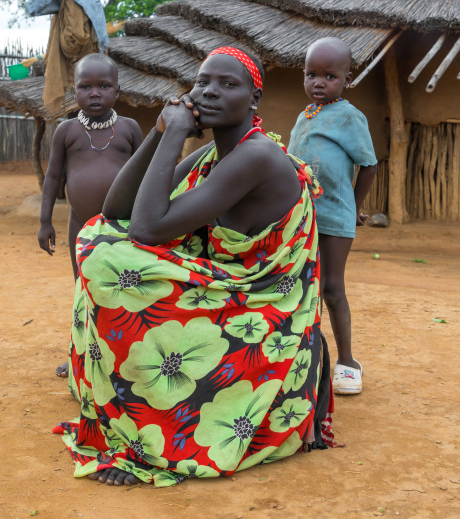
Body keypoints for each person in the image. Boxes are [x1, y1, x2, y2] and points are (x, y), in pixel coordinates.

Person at [53, 46, 338, 488]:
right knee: (98, 239)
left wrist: (174, 137)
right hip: (231, 289)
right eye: (203, 81)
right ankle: (141, 397)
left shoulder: (256, 156)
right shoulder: (216, 154)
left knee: (112, 264)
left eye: (229, 84)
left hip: (265, 308)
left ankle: (154, 420)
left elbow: (147, 229)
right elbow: (116, 211)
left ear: (253, 100)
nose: (210, 92)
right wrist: (161, 130)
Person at [38, 53, 143, 378]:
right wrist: (44, 221)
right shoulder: (66, 131)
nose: (94, 93)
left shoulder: (129, 128)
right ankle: (79, 358)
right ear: (75, 91)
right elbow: (53, 177)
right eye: (85, 87)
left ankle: (123, 361)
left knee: (124, 290)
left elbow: (145, 174)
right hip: (80, 227)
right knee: (83, 289)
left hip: (122, 228)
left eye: (104, 86)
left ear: (117, 91)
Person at [289, 37, 377, 396]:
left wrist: (354, 207)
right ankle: (303, 358)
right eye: (312, 75)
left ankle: (348, 362)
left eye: (329, 76)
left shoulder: (350, 117)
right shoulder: (303, 116)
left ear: (347, 79)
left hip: (336, 218)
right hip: (301, 216)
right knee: (300, 286)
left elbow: (369, 164)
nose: (319, 83)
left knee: (332, 288)